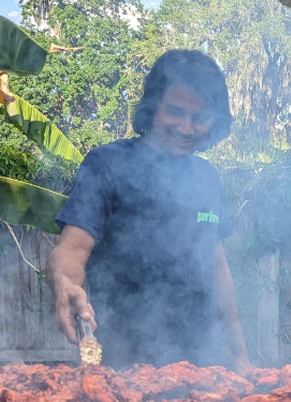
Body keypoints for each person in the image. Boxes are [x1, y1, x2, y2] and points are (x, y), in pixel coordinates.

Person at [49, 49, 249, 370]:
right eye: (175, 112)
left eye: (199, 118)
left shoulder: (207, 178)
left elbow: (218, 269)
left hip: (204, 368)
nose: (186, 128)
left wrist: (240, 357)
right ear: (154, 106)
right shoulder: (106, 165)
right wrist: (65, 283)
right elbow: (71, 249)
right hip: (126, 367)